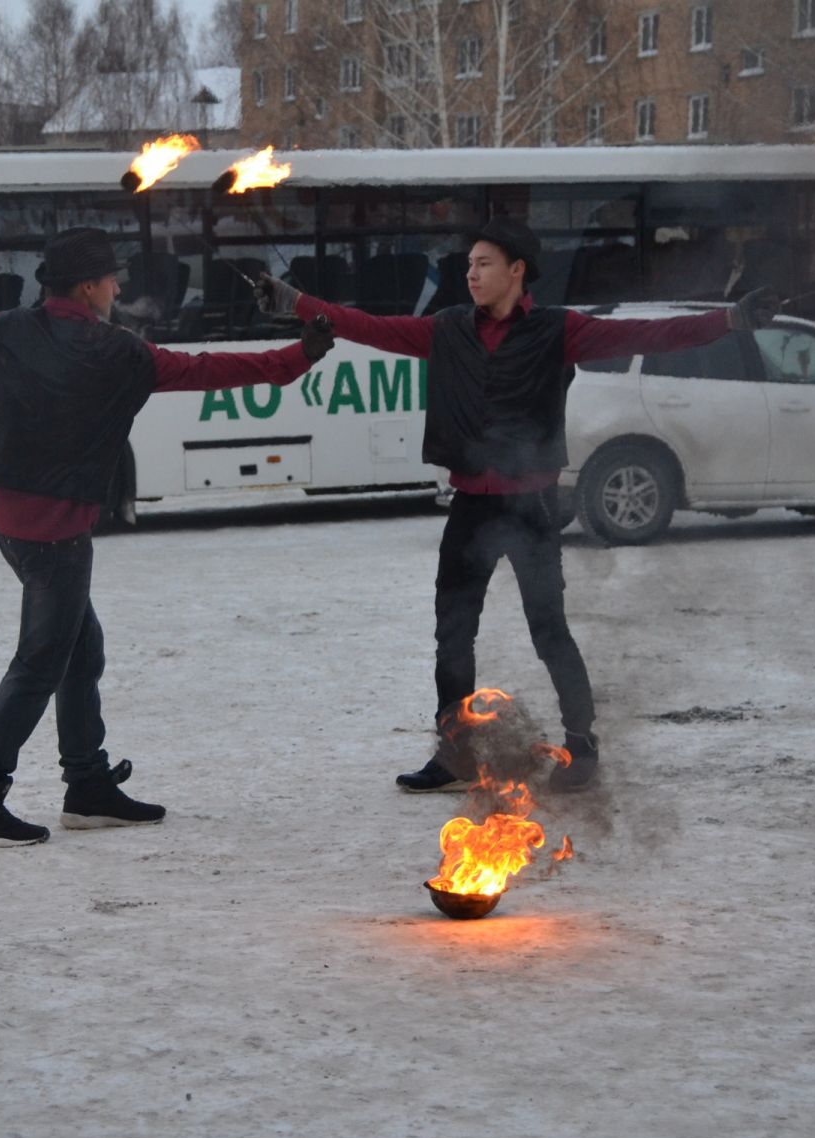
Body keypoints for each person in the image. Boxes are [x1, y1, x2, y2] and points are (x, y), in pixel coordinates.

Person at [0, 226, 337, 847]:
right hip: (59, 532)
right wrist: (299, 356)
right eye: (111, 277)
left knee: (80, 646)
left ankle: (88, 787)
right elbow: (211, 370)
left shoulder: (1, 330)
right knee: (41, 662)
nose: (119, 286)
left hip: (12, 521)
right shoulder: (118, 353)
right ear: (87, 286)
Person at [255, 217, 777, 793]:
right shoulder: (446, 328)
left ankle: (581, 745)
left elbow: (650, 336)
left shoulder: (560, 330)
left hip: (529, 508)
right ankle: (455, 755)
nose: (471, 274)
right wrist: (295, 300)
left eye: (483, 264)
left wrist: (729, 319)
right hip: (470, 509)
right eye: (469, 265)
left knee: (548, 630)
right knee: (452, 635)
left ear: (517, 271)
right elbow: (368, 326)